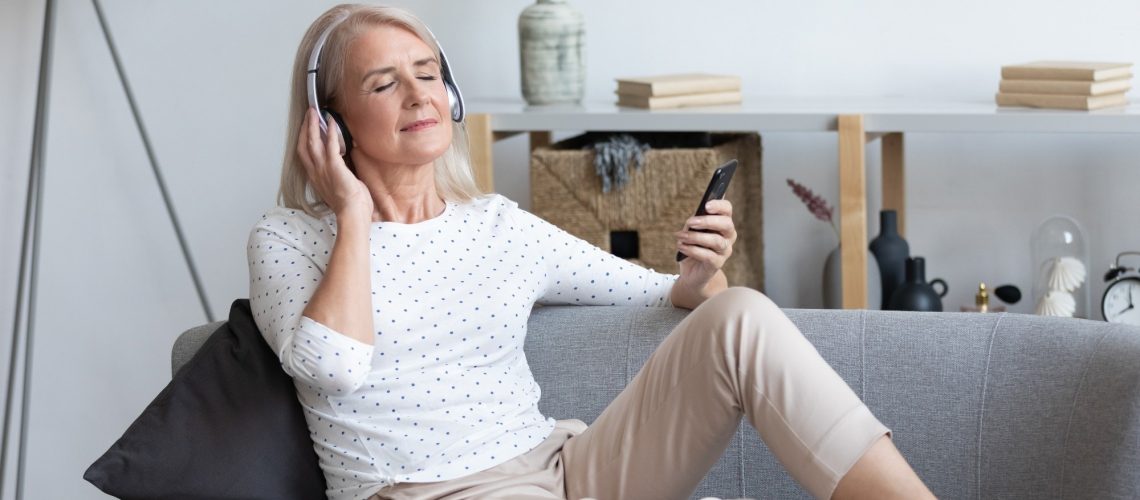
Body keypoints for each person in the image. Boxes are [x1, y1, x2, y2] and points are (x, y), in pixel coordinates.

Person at [247, 4, 935, 499]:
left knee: (742, 315)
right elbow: (333, 367)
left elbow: (669, 295)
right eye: (383, 83)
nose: (417, 95)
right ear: (328, 123)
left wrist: (701, 275)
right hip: (432, 492)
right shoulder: (289, 239)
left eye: (427, 74)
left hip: (568, 468)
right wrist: (354, 213)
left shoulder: (498, 226)